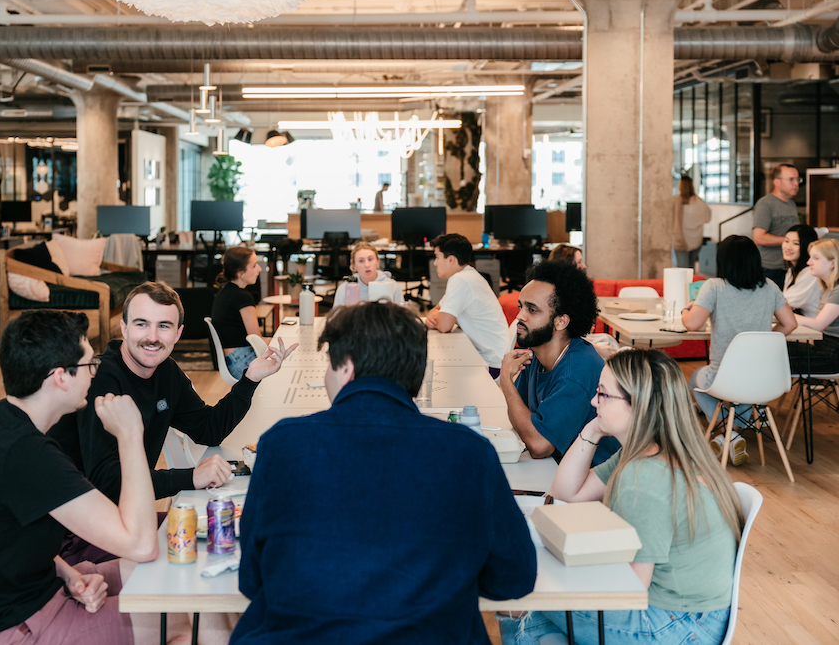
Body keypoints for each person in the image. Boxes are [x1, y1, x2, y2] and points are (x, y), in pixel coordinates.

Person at [231, 302, 537, 645]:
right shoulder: (469, 451)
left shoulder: (282, 444)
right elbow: (515, 577)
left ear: (345, 366)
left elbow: (252, 580)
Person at [0, 310, 160, 645]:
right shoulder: (24, 453)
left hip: (38, 591)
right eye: (90, 365)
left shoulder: (1, 424)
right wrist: (130, 435)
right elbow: (141, 544)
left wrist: (68, 573)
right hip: (15, 628)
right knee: (194, 616)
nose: (96, 374)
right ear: (61, 377)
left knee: (170, 575)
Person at [499, 349, 744, 645]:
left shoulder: (643, 476)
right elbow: (566, 495)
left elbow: (629, 588)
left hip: (676, 625)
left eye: (603, 395)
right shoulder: (651, 448)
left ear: (637, 405)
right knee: (533, 602)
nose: (593, 402)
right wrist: (593, 428)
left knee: (514, 594)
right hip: (696, 614)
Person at [77, 281, 297, 525]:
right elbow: (104, 482)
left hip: (127, 513)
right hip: (83, 524)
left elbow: (209, 429)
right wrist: (191, 477)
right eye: (142, 324)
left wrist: (249, 379)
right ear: (124, 328)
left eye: (164, 326)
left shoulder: (166, 371)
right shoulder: (97, 380)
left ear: (178, 333)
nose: (152, 337)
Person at [682, 235, 797, 465]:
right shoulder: (769, 286)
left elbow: (692, 324)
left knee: (695, 379)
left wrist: (687, 310)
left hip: (722, 377)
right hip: (764, 380)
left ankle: (727, 431)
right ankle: (732, 435)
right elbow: (790, 323)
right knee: (746, 394)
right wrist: (765, 339)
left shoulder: (714, 286)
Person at [499, 260, 620, 465]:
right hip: (556, 468)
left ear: (561, 321)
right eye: (521, 307)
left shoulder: (576, 373)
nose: (520, 316)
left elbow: (539, 445)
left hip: (597, 485)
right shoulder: (537, 354)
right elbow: (519, 416)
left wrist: (506, 380)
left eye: (532, 310)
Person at [426, 233, 510, 377]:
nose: (435, 263)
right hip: (496, 358)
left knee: (438, 370)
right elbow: (437, 310)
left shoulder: (460, 280)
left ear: (451, 259)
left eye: (437, 257)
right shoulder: (467, 275)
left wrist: (438, 317)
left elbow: (444, 326)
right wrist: (435, 315)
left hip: (492, 364)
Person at [548, 244, 619, 359]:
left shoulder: (570, 290)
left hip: (576, 342)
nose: (584, 266)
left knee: (608, 340)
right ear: (567, 266)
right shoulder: (556, 296)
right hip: (567, 350)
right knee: (613, 351)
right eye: (579, 262)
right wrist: (598, 349)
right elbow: (563, 338)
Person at [212, 246, 265, 380]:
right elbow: (256, 339)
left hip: (232, 359)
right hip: (242, 360)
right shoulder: (243, 297)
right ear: (240, 273)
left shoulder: (224, 292)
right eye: (254, 266)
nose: (259, 269)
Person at [788, 238, 839, 374]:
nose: (809, 262)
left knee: (775, 355)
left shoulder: (837, 291)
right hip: (825, 349)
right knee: (777, 349)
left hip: (833, 356)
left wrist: (785, 315)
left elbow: (818, 325)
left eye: (815, 258)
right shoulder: (828, 288)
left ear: (833, 263)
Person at [752, 163, 801, 290]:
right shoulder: (765, 204)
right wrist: (792, 241)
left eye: (798, 179)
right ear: (777, 182)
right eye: (791, 179)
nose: (796, 184)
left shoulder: (791, 204)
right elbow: (759, 238)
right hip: (770, 269)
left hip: (789, 267)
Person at [333, 241, 405, 307]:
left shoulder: (393, 286)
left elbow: (401, 317)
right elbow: (336, 318)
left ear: (377, 261)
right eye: (361, 261)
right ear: (354, 265)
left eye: (370, 259)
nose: (367, 265)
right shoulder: (345, 288)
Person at [672, 175, 712, 270]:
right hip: (695, 240)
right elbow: (707, 218)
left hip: (681, 240)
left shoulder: (675, 201)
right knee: (691, 269)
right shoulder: (699, 202)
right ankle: (690, 285)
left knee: (682, 269)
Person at [781, 224, 821, 316]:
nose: (788, 247)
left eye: (796, 243)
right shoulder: (792, 270)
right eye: (786, 241)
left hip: (815, 327)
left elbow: (783, 304)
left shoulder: (811, 273)